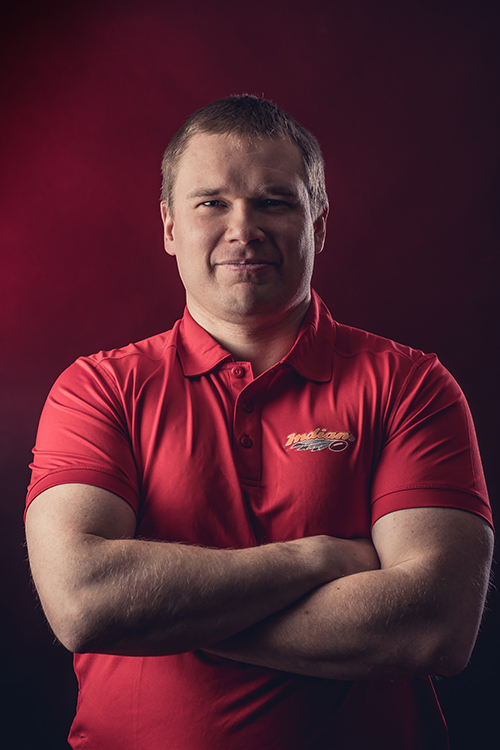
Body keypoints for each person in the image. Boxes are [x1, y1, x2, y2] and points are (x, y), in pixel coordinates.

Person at [25, 95, 493, 749]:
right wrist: (315, 558)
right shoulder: (98, 390)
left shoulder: (411, 386)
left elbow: (434, 627)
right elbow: (85, 602)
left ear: (318, 225)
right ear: (169, 227)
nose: (243, 228)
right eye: (211, 203)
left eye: (274, 202)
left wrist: (163, 617)